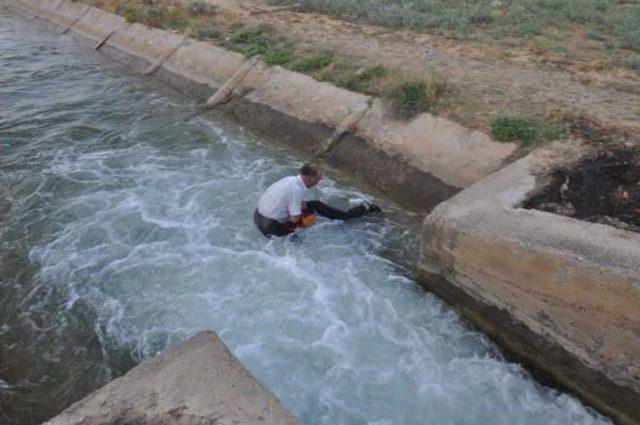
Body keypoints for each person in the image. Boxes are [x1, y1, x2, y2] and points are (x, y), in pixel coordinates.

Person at [254, 163, 381, 238]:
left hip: (258, 217)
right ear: (309, 178)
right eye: (319, 177)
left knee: (314, 205)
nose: (320, 180)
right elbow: (295, 219)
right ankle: (365, 207)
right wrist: (305, 222)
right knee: (300, 230)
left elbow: (285, 199)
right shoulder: (295, 189)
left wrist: (302, 208)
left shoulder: (291, 180)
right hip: (270, 227)